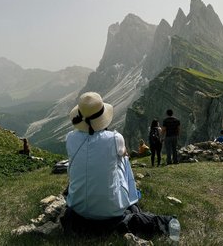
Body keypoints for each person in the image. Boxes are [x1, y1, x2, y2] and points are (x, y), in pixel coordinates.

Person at [61, 92, 173, 237]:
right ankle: (132, 201)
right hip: (111, 210)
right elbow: (123, 153)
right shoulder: (114, 138)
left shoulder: (70, 138)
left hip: (77, 207)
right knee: (123, 159)